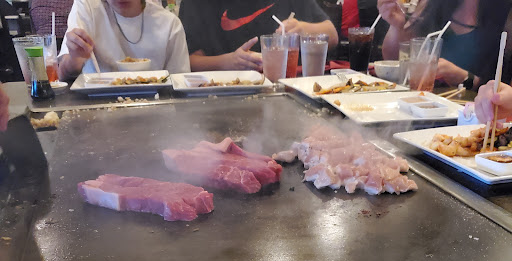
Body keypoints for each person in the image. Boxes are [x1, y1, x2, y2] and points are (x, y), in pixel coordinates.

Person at [377, 0, 512, 89]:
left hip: (472, 115)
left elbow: (505, 95)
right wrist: (396, 26)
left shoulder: (506, 13)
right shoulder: (432, 4)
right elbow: (394, 59)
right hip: (422, 106)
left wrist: (464, 78)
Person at [179, 0, 338, 71]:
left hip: (291, 92)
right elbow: (190, 62)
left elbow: (332, 35)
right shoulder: (197, 4)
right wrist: (229, 62)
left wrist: (303, 29)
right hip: (224, 96)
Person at [58, 0, 190, 80]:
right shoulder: (88, 8)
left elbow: (180, 83)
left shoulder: (169, 24)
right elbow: (63, 75)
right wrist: (75, 59)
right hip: (95, 109)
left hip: (155, 108)